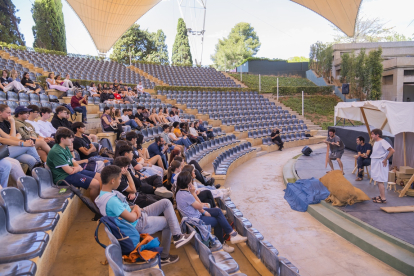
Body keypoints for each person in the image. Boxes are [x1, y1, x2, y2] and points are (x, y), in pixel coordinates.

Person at [95, 165, 195, 266]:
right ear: (112, 180)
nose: (120, 181)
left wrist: (136, 207)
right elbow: (132, 218)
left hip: (138, 214)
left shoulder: (106, 193)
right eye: (120, 179)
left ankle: (177, 236)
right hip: (137, 223)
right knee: (168, 222)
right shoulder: (111, 201)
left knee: (165, 202)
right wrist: (136, 209)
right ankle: (164, 256)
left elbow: (129, 207)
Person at [175, 171, 247, 253]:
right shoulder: (187, 195)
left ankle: (232, 234)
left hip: (195, 214)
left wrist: (203, 211)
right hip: (196, 219)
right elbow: (200, 206)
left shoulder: (179, 193)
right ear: (188, 183)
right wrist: (193, 193)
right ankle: (222, 243)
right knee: (218, 221)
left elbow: (198, 206)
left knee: (217, 211)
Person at [46, 127, 102, 201]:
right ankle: (95, 207)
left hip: (72, 173)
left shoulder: (65, 147)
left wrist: (77, 168)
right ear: (62, 139)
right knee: (95, 184)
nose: (72, 140)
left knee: (100, 176)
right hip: (63, 178)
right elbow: (69, 171)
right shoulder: (56, 151)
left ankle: (101, 201)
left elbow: (74, 161)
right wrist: (77, 168)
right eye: (70, 138)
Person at [0, 104, 42, 169]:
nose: (10, 115)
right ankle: (41, 168)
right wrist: (22, 143)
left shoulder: (7, 122)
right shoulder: (10, 122)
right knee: (30, 146)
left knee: (31, 160)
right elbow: (5, 140)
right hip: (4, 150)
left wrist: (20, 141)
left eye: (10, 113)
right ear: (0, 112)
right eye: (8, 113)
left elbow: (14, 136)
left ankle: (37, 175)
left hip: (13, 148)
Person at [370, 129, 395, 204]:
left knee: (380, 180)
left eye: (372, 134)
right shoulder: (376, 142)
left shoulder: (382, 142)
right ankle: (381, 195)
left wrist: (386, 159)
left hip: (380, 162)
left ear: (377, 135)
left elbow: (392, 150)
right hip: (376, 162)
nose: (371, 136)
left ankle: (383, 198)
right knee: (378, 180)